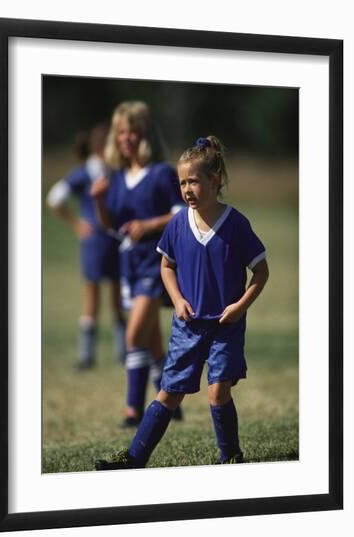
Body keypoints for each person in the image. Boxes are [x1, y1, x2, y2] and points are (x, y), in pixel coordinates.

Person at [95, 135, 269, 468]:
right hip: (187, 325)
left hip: (224, 326)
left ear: (214, 180)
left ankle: (230, 457)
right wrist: (176, 300)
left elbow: (261, 272)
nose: (187, 189)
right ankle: (134, 458)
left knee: (218, 392)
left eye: (194, 181)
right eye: (182, 182)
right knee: (169, 392)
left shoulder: (236, 224)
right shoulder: (177, 223)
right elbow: (166, 265)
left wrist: (240, 307)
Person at [91, 101, 184, 427]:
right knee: (151, 337)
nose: (126, 138)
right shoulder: (115, 177)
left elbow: (180, 213)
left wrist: (147, 225)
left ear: (144, 134)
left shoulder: (161, 173)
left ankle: (133, 411)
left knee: (134, 336)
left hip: (158, 263)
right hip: (129, 263)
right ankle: (170, 401)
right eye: (121, 132)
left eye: (132, 131)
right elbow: (111, 226)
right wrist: (100, 201)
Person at [46, 124, 126, 370]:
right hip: (94, 243)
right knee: (92, 296)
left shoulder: (116, 172)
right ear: (102, 148)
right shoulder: (83, 174)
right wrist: (76, 224)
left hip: (115, 240)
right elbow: (54, 198)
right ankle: (86, 355)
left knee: (117, 297)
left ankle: (123, 352)